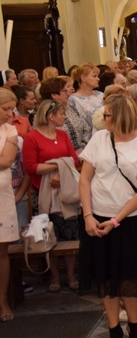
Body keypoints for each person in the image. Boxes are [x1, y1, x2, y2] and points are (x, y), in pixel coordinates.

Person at [78, 94, 137, 338]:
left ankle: (134, 325)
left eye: (107, 115)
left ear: (120, 117)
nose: (103, 119)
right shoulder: (99, 139)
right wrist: (88, 215)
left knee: (129, 277)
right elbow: (84, 180)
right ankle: (114, 328)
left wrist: (116, 220)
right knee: (106, 277)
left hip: (129, 221)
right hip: (97, 218)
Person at [23, 100, 80, 292]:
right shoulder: (32, 138)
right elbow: (31, 167)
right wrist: (59, 165)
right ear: (50, 116)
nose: (64, 117)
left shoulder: (63, 135)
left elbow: (73, 158)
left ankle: (71, 274)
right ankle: (55, 276)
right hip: (43, 193)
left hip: (65, 191)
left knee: (70, 233)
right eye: (61, 114)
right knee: (50, 233)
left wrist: (59, 170)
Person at [0, 88, 20, 322]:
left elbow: (6, 160)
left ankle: (2, 299)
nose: (9, 113)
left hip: (3, 196)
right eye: (5, 109)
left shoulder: (10, 130)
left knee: (2, 251)